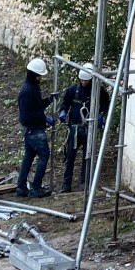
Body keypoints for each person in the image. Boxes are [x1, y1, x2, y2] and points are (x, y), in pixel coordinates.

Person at [57, 64, 108, 194]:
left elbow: (105, 103)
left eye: (86, 80)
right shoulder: (73, 90)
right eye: (82, 80)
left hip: (88, 128)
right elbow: (65, 103)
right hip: (74, 128)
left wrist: (101, 114)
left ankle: (84, 182)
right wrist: (63, 112)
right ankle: (66, 184)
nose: (84, 82)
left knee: (87, 156)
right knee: (70, 156)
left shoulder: (98, 91)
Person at [16, 58, 55, 198]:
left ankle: (21, 187)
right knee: (44, 154)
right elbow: (27, 115)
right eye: (40, 75)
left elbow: (36, 107)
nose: (41, 78)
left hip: (32, 129)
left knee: (29, 156)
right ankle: (36, 187)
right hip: (33, 130)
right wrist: (45, 118)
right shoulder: (27, 91)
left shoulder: (33, 87)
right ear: (34, 74)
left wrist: (49, 100)